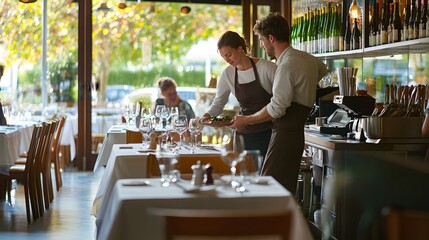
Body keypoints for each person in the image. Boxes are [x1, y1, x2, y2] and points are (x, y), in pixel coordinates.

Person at [231, 12, 328, 193]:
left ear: (271, 38)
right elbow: (323, 69)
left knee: (271, 189)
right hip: (296, 134)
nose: (261, 45)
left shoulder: (286, 65)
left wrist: (246, 120)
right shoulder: (307, 58)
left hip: (284, 134)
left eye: (261, 40)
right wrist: (304, 86)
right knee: (285, 188)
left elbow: (277, 108)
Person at [203, 31, 277, 158]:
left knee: (266, 175)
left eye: (229, 55)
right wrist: (206, 116)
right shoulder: (228, 74)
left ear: (240, 49)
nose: (227, 60)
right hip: (243, 134)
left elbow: (280, 102)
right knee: (244, 173)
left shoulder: (267, 68)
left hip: (270, 132)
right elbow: (218, 103)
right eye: (223, 57)